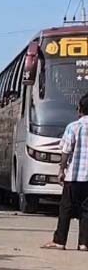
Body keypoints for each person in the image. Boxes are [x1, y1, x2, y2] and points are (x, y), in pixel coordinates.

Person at [45, 93, 88, 251]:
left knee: (66, 208)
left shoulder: (74, 127)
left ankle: (60, 241)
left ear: (79, 110)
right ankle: (84, 243)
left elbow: (66, 150)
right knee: (86, 211)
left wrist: (61, 169)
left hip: (74, 176)